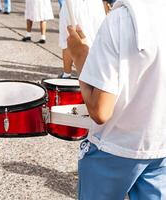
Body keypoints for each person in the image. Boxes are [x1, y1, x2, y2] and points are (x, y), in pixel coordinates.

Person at [66, 0, 166, 199]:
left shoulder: (121, 19)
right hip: (160, 148)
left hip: (113, 147)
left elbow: (100, 111)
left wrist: (79, 55)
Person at [58, 0, 105, 78]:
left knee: (69, 38)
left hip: (77, 5)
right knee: (95, 37)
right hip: (93, 5)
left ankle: (67, 74)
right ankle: (90, 76)